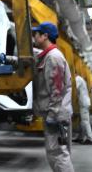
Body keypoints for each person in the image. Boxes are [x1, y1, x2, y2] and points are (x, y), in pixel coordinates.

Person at [32, 22, 75, 172]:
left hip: (56, 114)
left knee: (58, 154)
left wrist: (53, 114)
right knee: (58, 153)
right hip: (56, 113)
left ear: (45, 36)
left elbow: (57, 90)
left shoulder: (53, 58)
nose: (34, 36)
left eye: (36, 34)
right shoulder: (49, 56)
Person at [73, 74, 92, 145]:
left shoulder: (78, 79)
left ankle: (91, 139)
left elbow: (74, 89)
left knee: (85, 121)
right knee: (81, 121)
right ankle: (81, 137)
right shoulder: (80, 79)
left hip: (83, 103)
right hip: (83, 102)